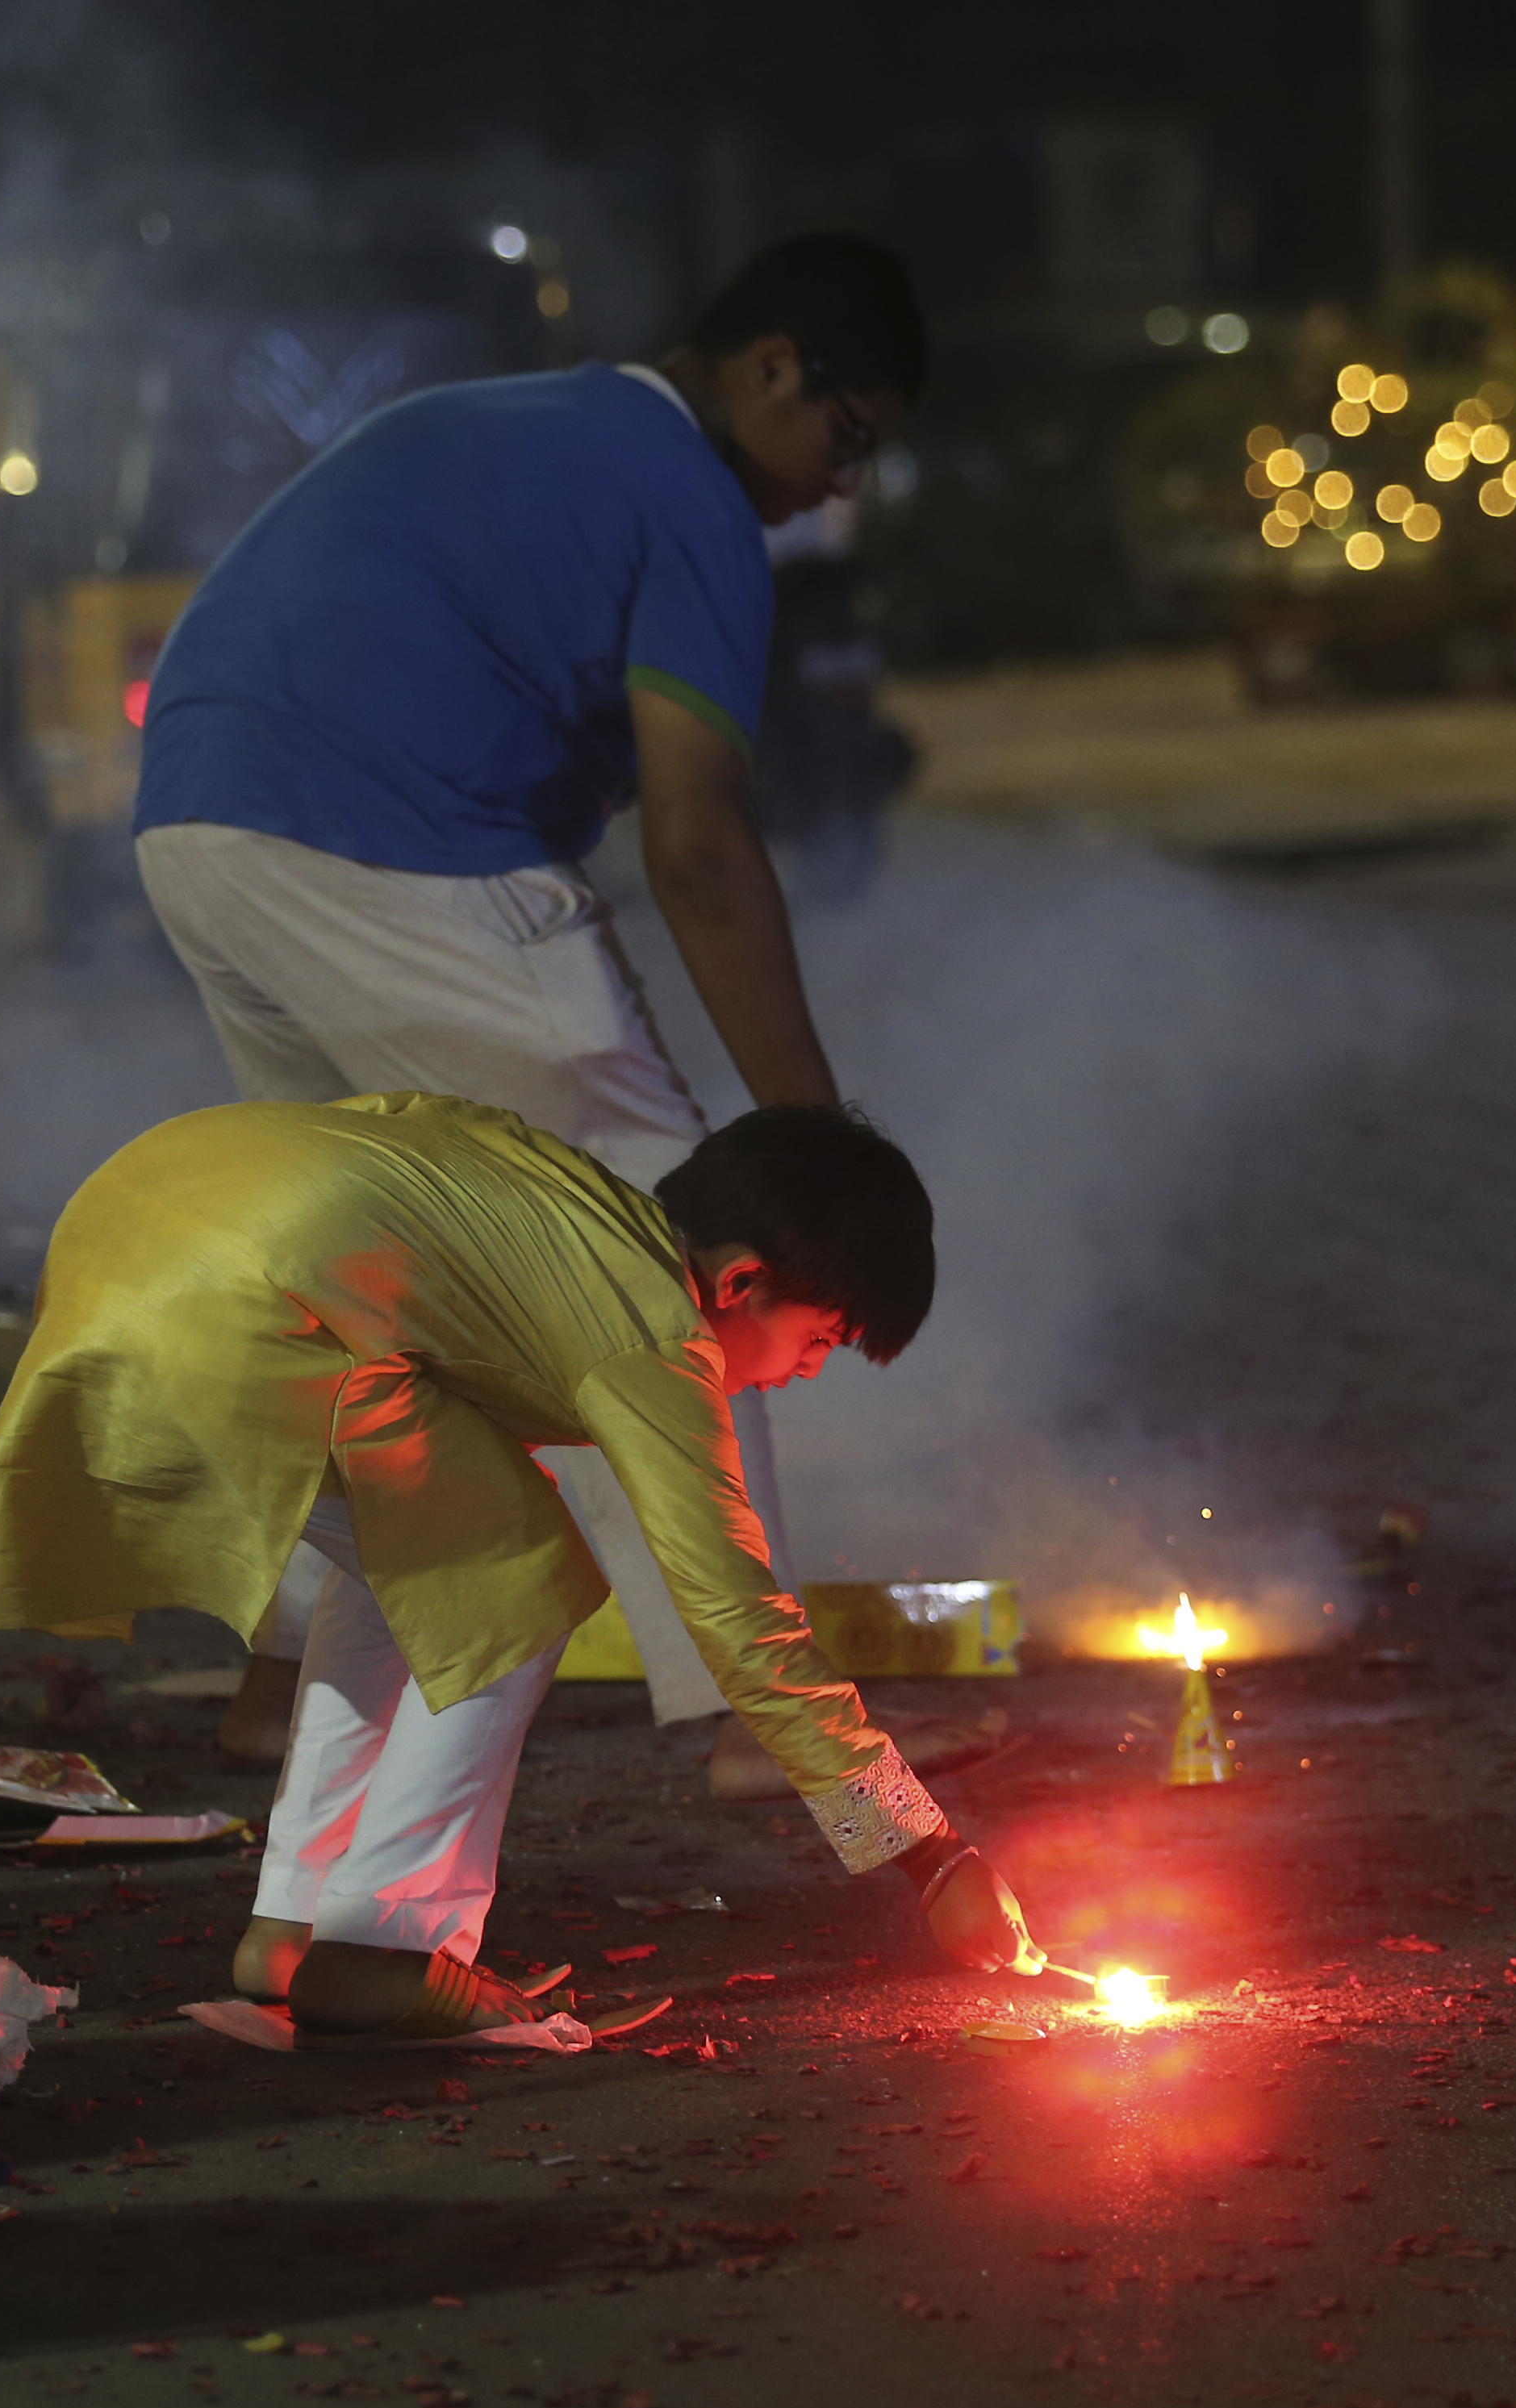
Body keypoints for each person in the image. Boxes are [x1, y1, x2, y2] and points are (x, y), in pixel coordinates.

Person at [129, 231, 998, 1803]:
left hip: (197, 832)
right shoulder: (695, 508)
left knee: (367, 1288)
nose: (839, 488)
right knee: (681, 1256)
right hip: (389, 842)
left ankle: (284, 1682)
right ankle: (767, 1722)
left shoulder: (532, 425)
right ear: (771, 369)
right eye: (844, 438)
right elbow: (703, 850)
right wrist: (821, 1151)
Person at [0, 1093, 1046, 2037]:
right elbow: (742, 1622)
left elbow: (406, 1126)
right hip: (237, 1315)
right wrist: (930, 1854)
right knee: (518, 1575)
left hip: (133, 1233)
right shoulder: (653, 1332)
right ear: (740, 1280)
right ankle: (384, 1947)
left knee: (422, 1561)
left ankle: (296, 1926)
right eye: (818, 1341)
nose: (805, 1376)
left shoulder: (574, 1208)